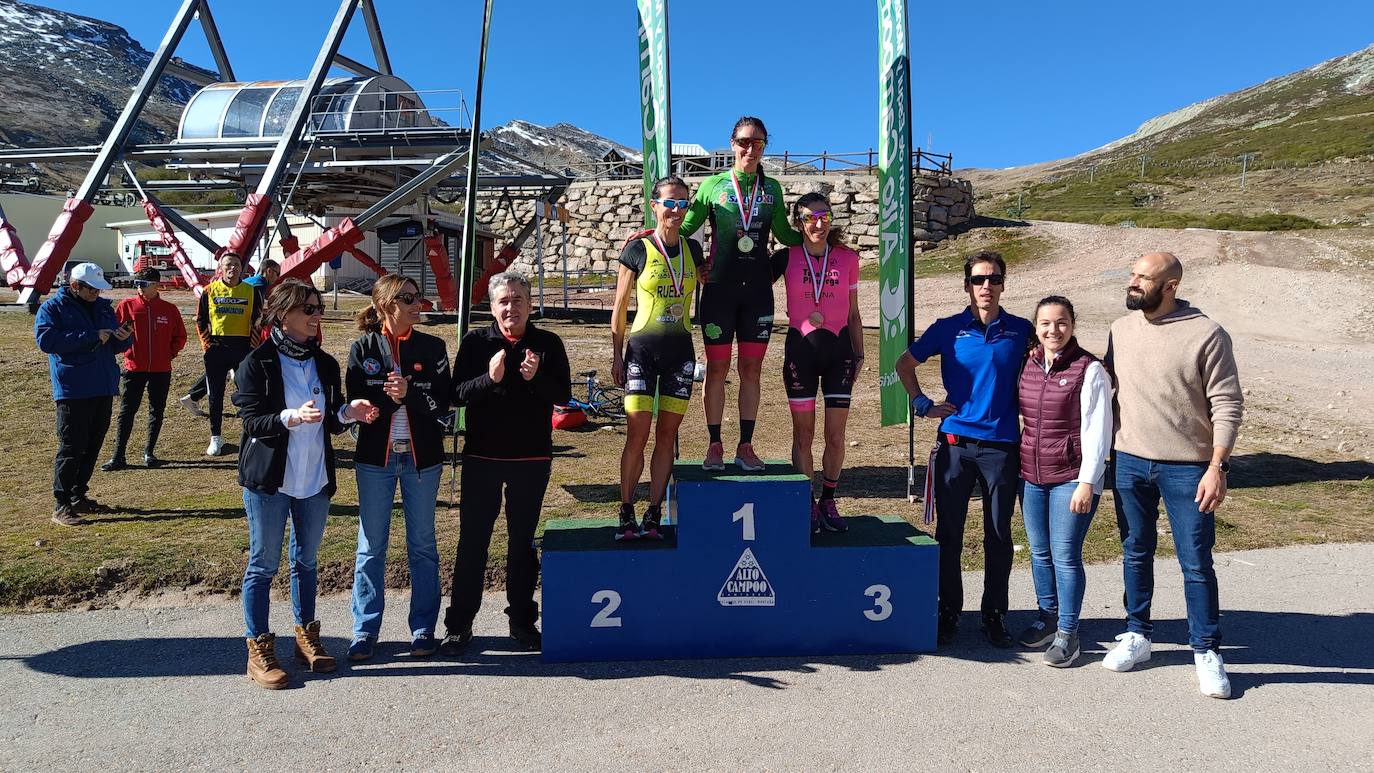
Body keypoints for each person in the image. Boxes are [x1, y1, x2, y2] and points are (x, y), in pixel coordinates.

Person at [1103, 252, 1243, 699]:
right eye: (1132, 274)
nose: (1133, 282)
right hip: (1128, 461)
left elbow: (1227, 403)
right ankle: (1137, 634)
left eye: (1143, 277)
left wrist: (1217, 467)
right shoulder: (1120, 330)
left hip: (1190, 468)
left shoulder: (1207, 334)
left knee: (1196, 562)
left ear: (1170, 286)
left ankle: (1205, 650)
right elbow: (1104, 383)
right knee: (1135, 551)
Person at [234, 278, 379, 689]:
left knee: (307, 561)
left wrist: (349, 411)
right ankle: (258, 650)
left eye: (318, 308)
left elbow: (330, 420)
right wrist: (288, 417)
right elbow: (250, 422)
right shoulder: (256, 363)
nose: (317, 316)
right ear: (283, 314)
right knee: (263, 565)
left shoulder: (325, 364)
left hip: (313, 481)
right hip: (270, 482)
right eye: (309, 309)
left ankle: (306, 638)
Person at [895, 250, 1032, 648]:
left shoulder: (1021, 330)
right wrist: (923, 405)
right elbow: (905, 364)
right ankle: (949, 612)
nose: (985, 287)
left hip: (1002, 447)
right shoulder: (948, 328)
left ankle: (994, 614)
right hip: (955, 444)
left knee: (998, 534)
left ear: (1003, 284)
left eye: (993, 279)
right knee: (949, 533)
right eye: (978, 280)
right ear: (966, 285)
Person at [441, 272, 571, 655]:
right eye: (503, 301)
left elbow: (563, 394)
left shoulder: (547, 343)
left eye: (518, 300)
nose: (510, 307)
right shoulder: (476, 341)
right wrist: (489, 377)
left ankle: (522, 621)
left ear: (530, 306)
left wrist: (535, 378)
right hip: (483, 457)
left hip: (531, 458)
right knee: (473, 543)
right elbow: (456, 395)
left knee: (521, 544)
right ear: (493, 307)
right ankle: (459, 624)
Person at [680, 116, 801, 471]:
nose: (751, 149)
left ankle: (745, 446)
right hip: (719, 293)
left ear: (765, 146)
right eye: (745, 142)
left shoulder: (772, 189)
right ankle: (714, 445)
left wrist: (819, 237)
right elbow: (686, 229)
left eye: (759, 143)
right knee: (717, 369)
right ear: (732, 143)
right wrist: (694, 259)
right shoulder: (713, 185)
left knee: (751, 370)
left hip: (758, 296)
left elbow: (785, 234)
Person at [345, 275, 452, 661]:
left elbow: (444, 405)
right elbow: (358, 404)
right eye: (408, 298)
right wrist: (390, 402)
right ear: (386, 305)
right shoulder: (362, 348)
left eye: (417, 296)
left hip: (422, 460)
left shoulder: (433, 346)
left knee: (422, 545)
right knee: (371, 547)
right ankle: (364, 630)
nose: (417, 303)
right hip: (377, 460)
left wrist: (411, 396)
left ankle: (423, 627)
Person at [1015, 296, 1111, 667]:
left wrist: (1088, 481)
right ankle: (1047, 617)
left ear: (1072, 325)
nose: (1053, 330)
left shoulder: (1090, 369)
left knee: (1065, 556)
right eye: (1045, 324)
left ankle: (1068, 634)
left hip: (1072, 478)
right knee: (1039, 553)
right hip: (1031, 475)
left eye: (1061, 323)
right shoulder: (1029, 364)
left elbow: (1099, 429)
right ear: (1036, 328)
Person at [611, 176, 705, 541]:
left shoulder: (693, 251)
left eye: (683, 203)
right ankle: (625, 511)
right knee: (638, 432)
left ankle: (653, 514)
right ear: (655, 205)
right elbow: (619, 307)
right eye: (670, 203)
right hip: (641, 352)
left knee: (667, 436)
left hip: (680, 353)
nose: (677, 210)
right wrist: (616, 357)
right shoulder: (636, 249)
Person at [772, 192, 863, 533]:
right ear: (799, 222)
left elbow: (854, 312)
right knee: (803, 435)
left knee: (836, 436)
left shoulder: (847, 258)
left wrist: (859, 354)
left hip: (839, 353)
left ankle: (828, 498)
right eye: (810, 217)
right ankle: (806, 502)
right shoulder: (787, 258)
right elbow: (744, 277)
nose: (819, 223)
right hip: (801, 352)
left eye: (824, 216)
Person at [34, 263, 132, 526]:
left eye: (99, 290)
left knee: (93, 444)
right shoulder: (52, 309)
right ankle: (62, 504)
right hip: (73, 389)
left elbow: (112, 345)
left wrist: (124, 338)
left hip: (103, 385)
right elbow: (46, 341)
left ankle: (79, 495)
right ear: (75, 286)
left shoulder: (102, 308)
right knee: (71, 446)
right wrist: (90, 336)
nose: (97, 294)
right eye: (92, 290)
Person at [101, 268, 187, 471]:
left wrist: (170, 354)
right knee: (126, 412)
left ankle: (149, 452)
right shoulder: (127, 306)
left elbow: (180, 336)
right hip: (134, 368)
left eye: (143, 283)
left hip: (161, 369)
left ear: (156, 285)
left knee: (156, 410)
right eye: (136, 283)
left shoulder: (169, 309)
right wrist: (127, 351)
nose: (139, 287)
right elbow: (115, 333)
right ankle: (118, 456)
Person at [195, 251, 265, 457]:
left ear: (242, 268)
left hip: (243, 348)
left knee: (248, 392)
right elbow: (200, 320)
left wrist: (252, 347)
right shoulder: (209, 291)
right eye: (228, 265)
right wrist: (207, 345)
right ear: (220, 268)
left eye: (236, 264)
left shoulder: (252, 291)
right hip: (217, 348)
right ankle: (215, 437)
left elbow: (258, 320)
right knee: (215, 394)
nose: (232, 268)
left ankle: (251, 433)